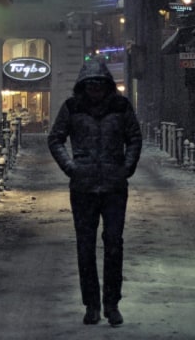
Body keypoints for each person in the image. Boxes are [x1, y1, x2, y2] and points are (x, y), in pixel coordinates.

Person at [47, 60, 142, 327]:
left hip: (114, 186)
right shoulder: (72, 107)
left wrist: (126, 168)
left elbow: (134, 137)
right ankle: (92, 305)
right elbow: (55, 138)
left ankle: (112, 304)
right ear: (84, 86)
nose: (95, 89)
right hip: (83, 187)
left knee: (114, 245)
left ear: (107, 85)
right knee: (85, 248)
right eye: (91, 84)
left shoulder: (121, 107)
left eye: (99, 84)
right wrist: (71, 167)